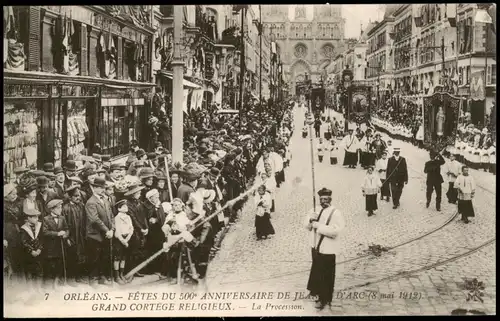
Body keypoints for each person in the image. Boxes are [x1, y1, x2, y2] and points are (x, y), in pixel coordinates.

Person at [305, 188, 345, 310]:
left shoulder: (336, 213)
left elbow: (335, 232)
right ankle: (314, 292)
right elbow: (306, 226)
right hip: (315, 246)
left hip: (328, 248)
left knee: (326, 274)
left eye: (326, 199)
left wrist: (319, 226)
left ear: (330, 199)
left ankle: (324, 298)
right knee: (316, 270)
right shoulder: (314, 210)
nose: (323, 201)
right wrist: (310, 220)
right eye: (321, 199)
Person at [85, 177, 115, 286]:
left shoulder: (106, 200)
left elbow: (111, 215)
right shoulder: (91, 202)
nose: (102, 190)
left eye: (103, 188)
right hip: (95, 235)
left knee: (104, 256)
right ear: (94, 188)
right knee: (94, 257)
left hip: (106, 234)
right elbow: (94, 219)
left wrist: (112, 229)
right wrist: (107, 230)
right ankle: (93, 279)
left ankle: (102, 277)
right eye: (99, 188)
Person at [42, 199, 70, 289]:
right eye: (58, 208)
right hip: (51, 246)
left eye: (61, 207)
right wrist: (57, 234)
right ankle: (49, 283)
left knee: (59, 263)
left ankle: (57, 282)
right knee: (51, 264)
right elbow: (45, 232)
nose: (60, 210)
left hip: (60, 245)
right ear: (52, 209)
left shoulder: (62, 218)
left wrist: (65, 234)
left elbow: (67, 228)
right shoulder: (46, 219)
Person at [20, 208, 44, 292]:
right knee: (29, 271)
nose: (37, 219)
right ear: (28, 218)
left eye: (37, 217)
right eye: (34, 217)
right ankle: (30, 289)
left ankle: (38, 287)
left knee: (39, 270)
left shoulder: (39, 226)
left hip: (38, 252)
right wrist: (31, 251)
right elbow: (23, 242)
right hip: (29, 254)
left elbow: (42, 238)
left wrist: (40, 249)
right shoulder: (24, 229)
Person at [113, 199, 133, 285]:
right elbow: (117, 231)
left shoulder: (128, 217)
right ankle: (116, 276)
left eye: (126, 206)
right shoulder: (117, 218)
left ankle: (121, 274)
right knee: (117, 258)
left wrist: (127, 238)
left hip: (126, 238)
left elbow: (131, 228)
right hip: (119, 240)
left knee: (123, 258)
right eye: (123, 206)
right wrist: (122, 240)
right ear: (119, 209)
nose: (126, 208)